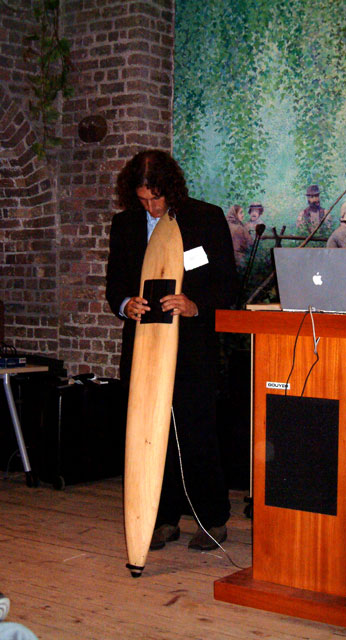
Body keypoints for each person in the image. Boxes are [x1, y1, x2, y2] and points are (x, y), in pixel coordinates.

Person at [106, 150, 237, 552]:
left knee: (196, 432)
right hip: (144, 347)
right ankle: (162, 519)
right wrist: (125, 304)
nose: (151, 207)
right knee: (148, 434)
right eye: (143, 199)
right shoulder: (125, 224)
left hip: (192, 347)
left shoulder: (206, 217)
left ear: (172, 189)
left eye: (157, 198)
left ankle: (211, 520)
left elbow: (227, 285)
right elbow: (114, 284)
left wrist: (194, 304)